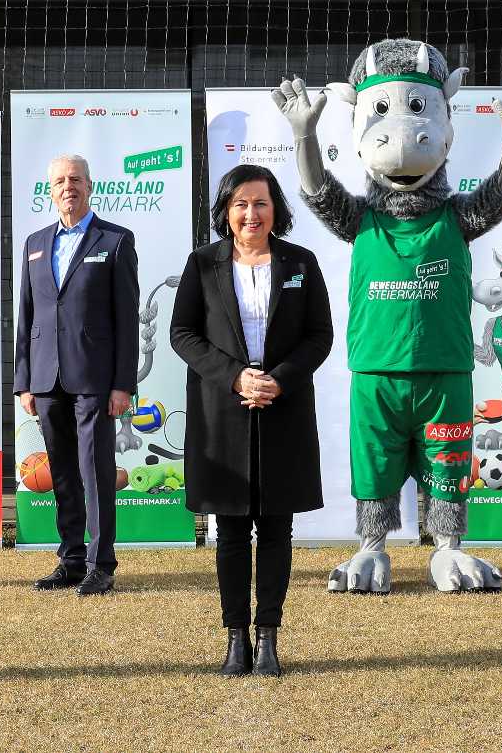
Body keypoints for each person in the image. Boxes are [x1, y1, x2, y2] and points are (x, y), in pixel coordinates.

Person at [170, 164, 333, 677]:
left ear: (275, 209)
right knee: (233, 529)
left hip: (283, 410)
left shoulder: (300, 262)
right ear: (225, 211)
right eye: (240, 203)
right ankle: (235, 637)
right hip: (224, 412)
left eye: (260, 203)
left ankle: (269, 637)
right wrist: (237, 377)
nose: (250, 214)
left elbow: (319, 335)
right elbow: (183, 334)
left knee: (277, 528)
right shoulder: (202, 265)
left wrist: (278, 378)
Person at [14, 154, 139, 596]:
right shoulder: (34, 243)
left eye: (76, 180)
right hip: (46, 380)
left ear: (90, 186)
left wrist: (124, 384)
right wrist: (23, 381)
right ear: (50, 191)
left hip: (95, 381)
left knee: (96, 472)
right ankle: (69, 560)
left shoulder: (116, 241)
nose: (69, 187)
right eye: (60, 181)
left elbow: (127, 319)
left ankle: (101, 563)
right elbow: (26, 315)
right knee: (62, 472)